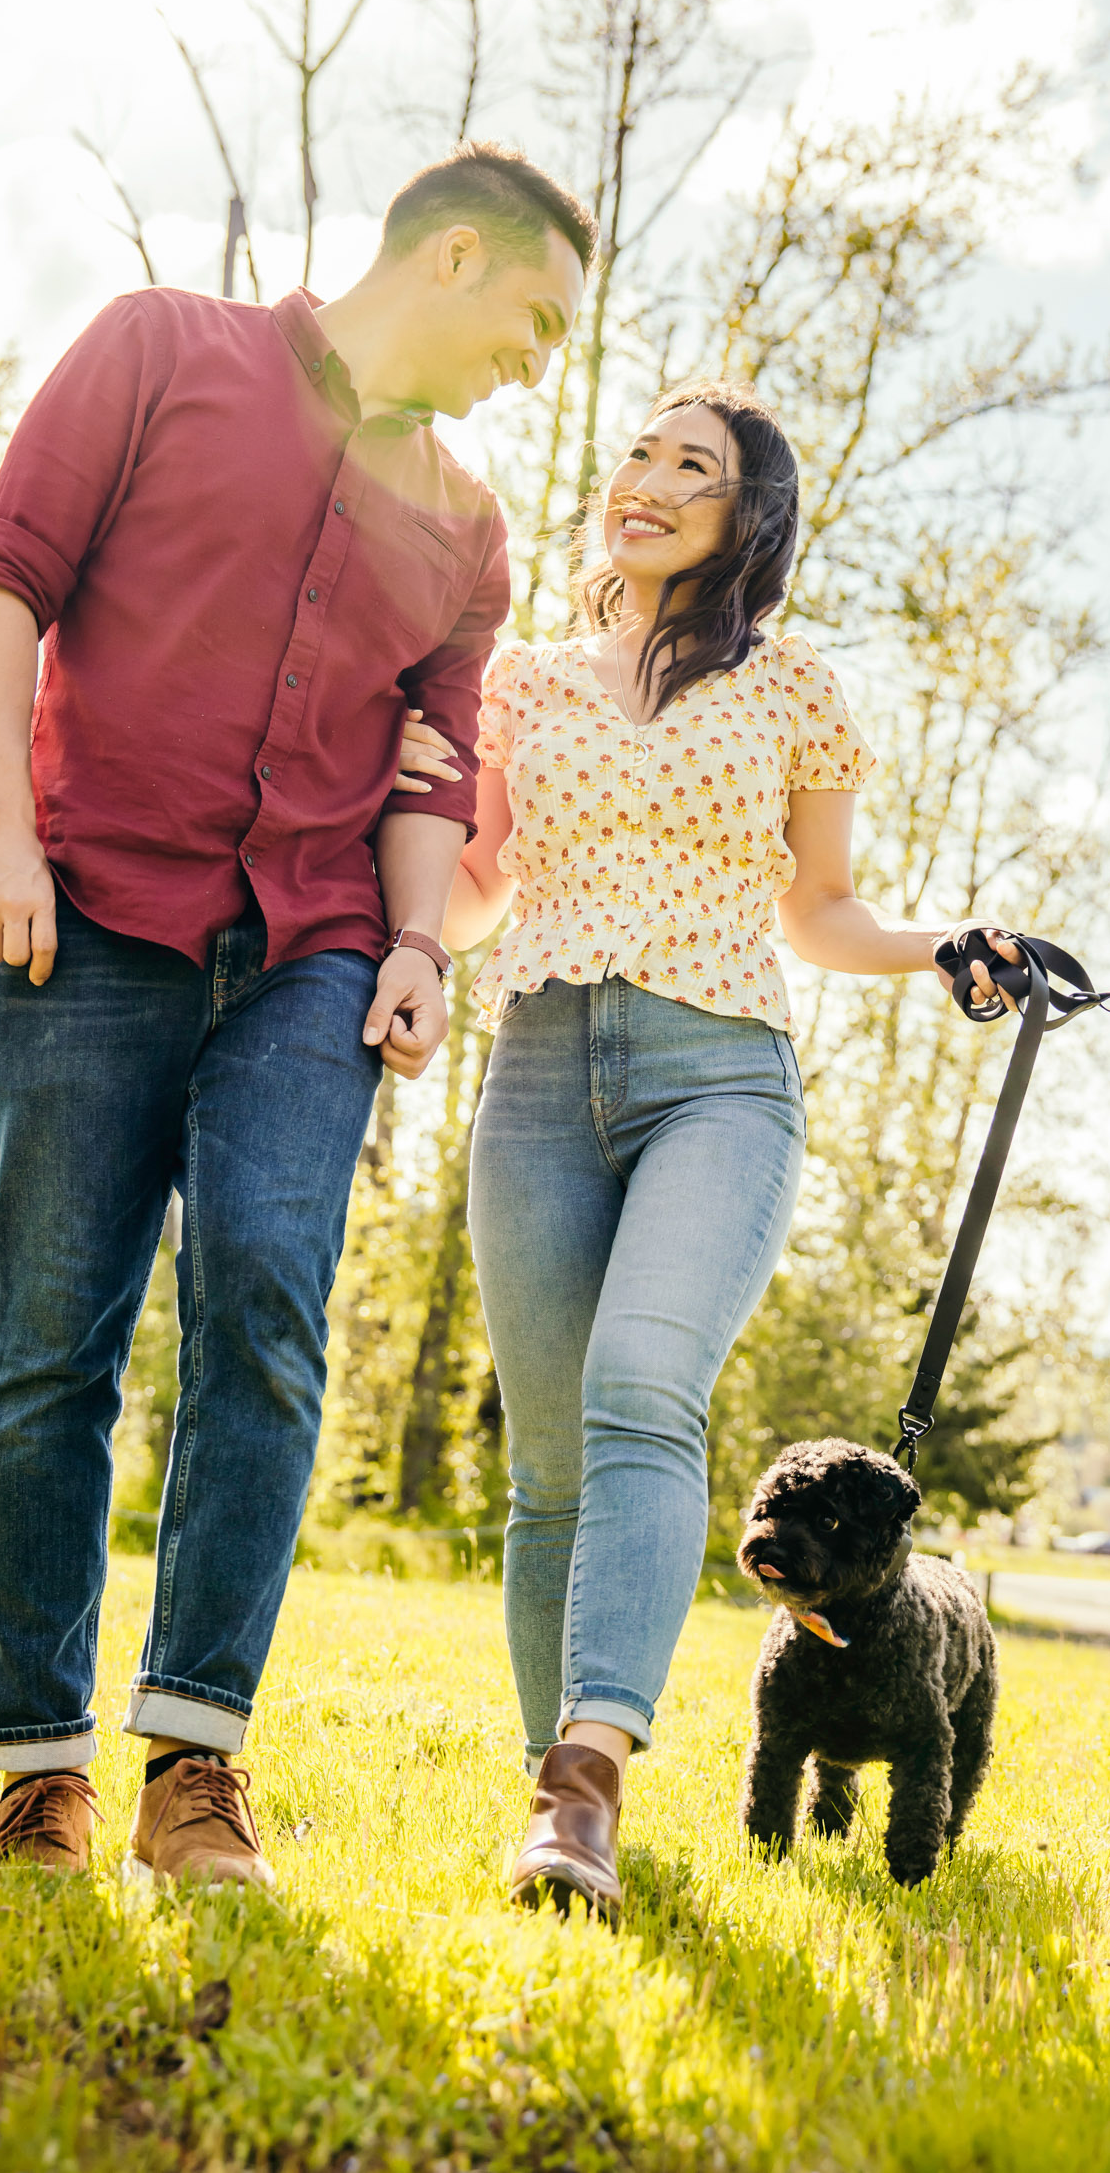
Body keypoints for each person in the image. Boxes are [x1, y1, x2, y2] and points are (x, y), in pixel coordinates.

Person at [0, 141, 595, 1883]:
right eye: (534, 319)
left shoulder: (467, 531)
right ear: (452, 257)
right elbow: (4, 574)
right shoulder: (160, 348)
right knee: (51, 1341)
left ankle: (195, 1764)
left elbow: (431, 762)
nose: (538, 362)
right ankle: (38, 1769)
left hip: (311, 955)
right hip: (83, 920)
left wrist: (415, 946)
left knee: (267, 1315)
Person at [401, 379, 1017, 1923]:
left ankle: (587, 1783)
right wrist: (411, 936)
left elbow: (821, 910)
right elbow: (480, 878)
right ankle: (560, 1788)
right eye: (642, 454)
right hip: (538, 1069)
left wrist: (946, 942)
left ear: (750, 515)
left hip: (718, 1078)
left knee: (639, 1397)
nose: (654, 480)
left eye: (699, 466)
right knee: (547, 1471)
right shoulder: (526, 680)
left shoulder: (796, 683)